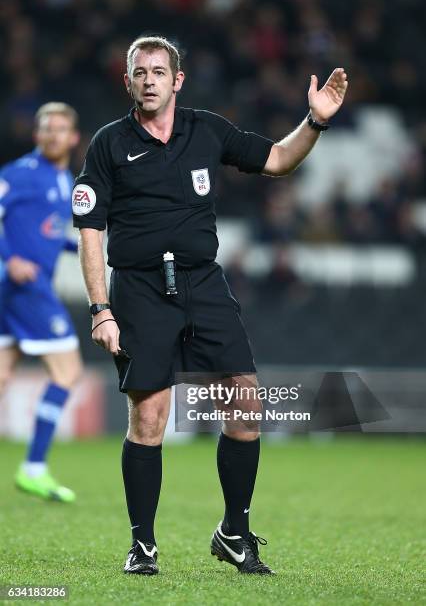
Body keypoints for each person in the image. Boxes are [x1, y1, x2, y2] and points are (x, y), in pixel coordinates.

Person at [73, 36, 347, 575]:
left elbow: (276, 159)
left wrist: (314, 122)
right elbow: (89, 231)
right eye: (139, 72)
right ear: (127, 81)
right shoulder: (108, 144)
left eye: (158, 71)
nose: (148, 79)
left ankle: (234, 532)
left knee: (246, 407)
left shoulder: (207, 130)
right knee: (148, 417)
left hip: (202, 283)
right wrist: (99, 309)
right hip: (140, 289)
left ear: (178, 80)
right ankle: (143, 545)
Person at [0, 102, 82, 503]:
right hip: (23, 285)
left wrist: (79, 245)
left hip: (19, 287)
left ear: (73, 137)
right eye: (46, 128)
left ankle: (35, 467)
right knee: (68, 370)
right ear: (36, 135)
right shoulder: (20, 173)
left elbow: (46, 230)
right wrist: (8, 257)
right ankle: (34, 467)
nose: (53, 135)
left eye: (60, 129)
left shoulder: (65, 179)